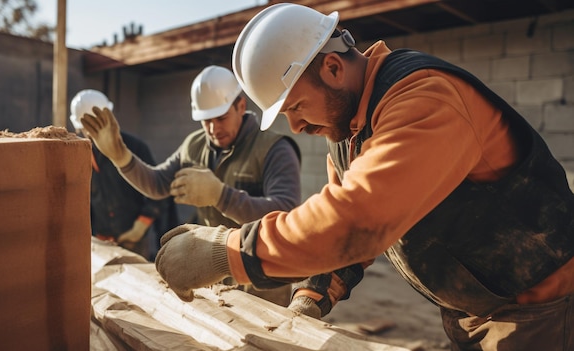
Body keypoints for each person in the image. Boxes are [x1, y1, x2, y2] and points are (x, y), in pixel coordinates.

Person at [149, 3, 574, 351]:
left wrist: (227, 252)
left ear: (333, 67)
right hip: (477, 310)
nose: (295, 127)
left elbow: (358, 220)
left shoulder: (424, 99)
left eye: (296, 107)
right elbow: (343, 235)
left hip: (540, 310)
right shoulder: (350, 132)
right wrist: (312, 296)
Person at [79, 66, 302, 307]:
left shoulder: (275, 149)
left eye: (221, 118)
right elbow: (157, 184)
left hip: (262, 280)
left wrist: (221, 196)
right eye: (206, 120)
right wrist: (121, 157)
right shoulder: (194, 146)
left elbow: (285, 214)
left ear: (240, 106)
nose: (213, 128)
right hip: (214, 275)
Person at [70, 89, 178, 261]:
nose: (92, 134)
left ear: (111, 118)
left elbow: (158, 189)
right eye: (87, 129)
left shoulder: (135, 147)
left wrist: (140, 226)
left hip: (134, 239)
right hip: (102, 240)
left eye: (99, 125)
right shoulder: (81, 156)